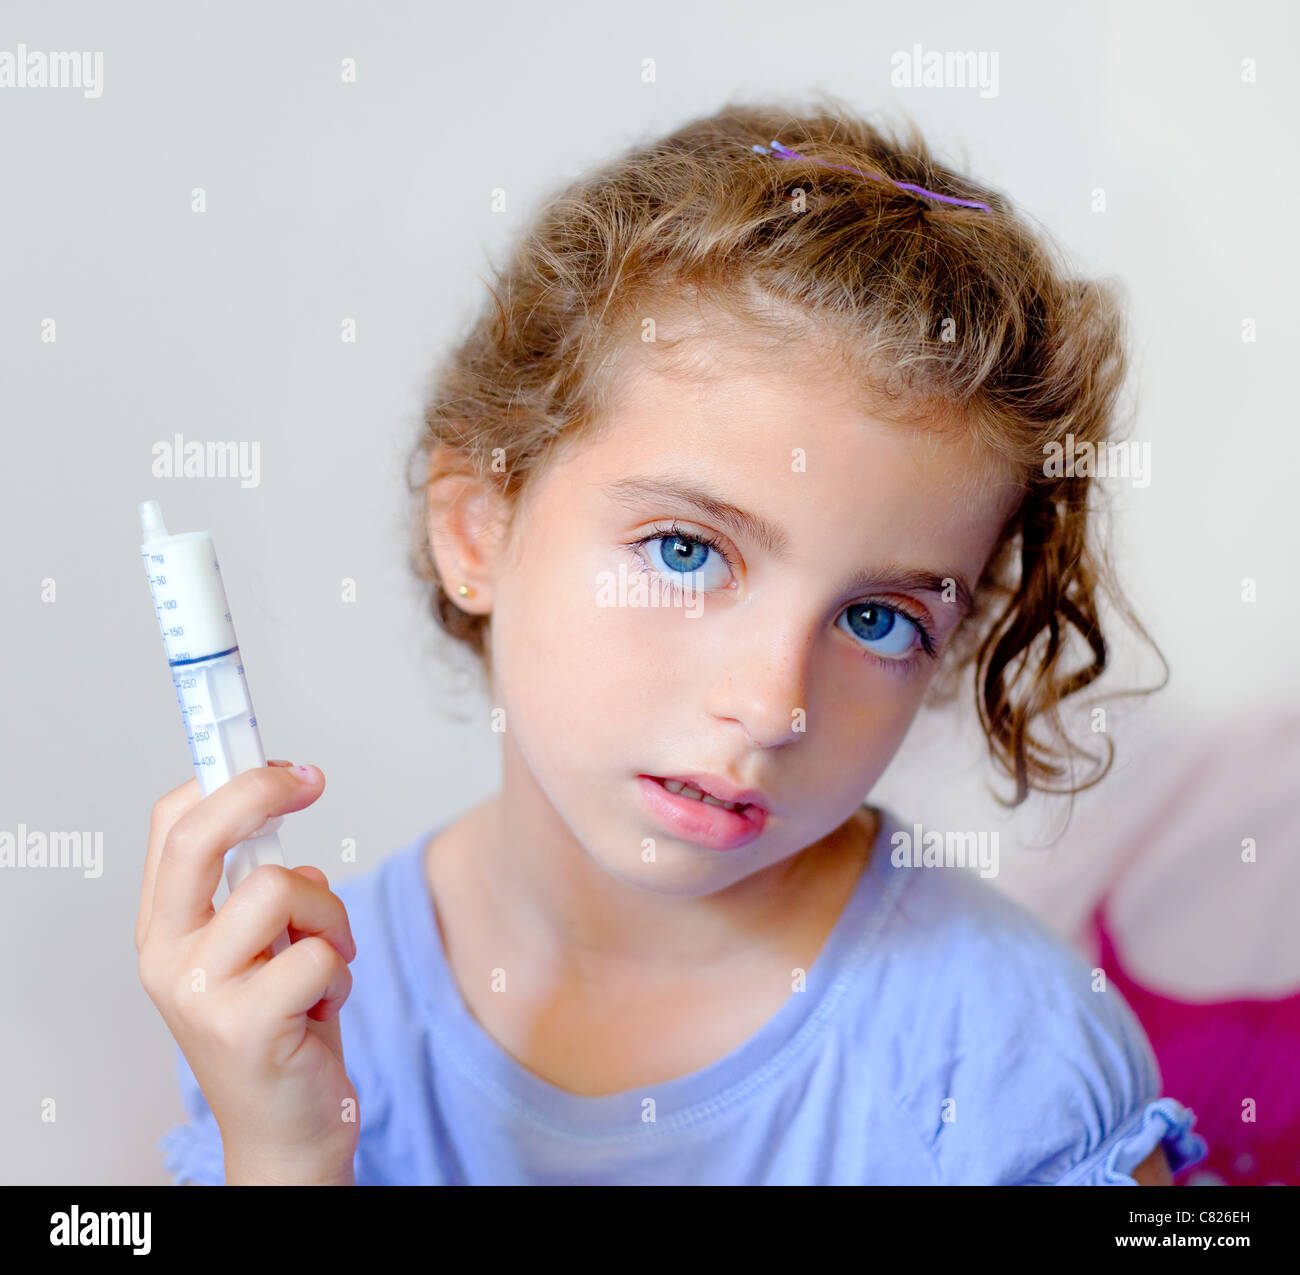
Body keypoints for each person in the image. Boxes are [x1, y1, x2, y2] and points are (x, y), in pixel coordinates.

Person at [136, 96, 1208, 1185]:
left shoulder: (1011, 1065)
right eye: (686, 554)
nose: (769, 704)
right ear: (477, 527)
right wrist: (284, 1153)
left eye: (876, 620)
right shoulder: (303, 1008)